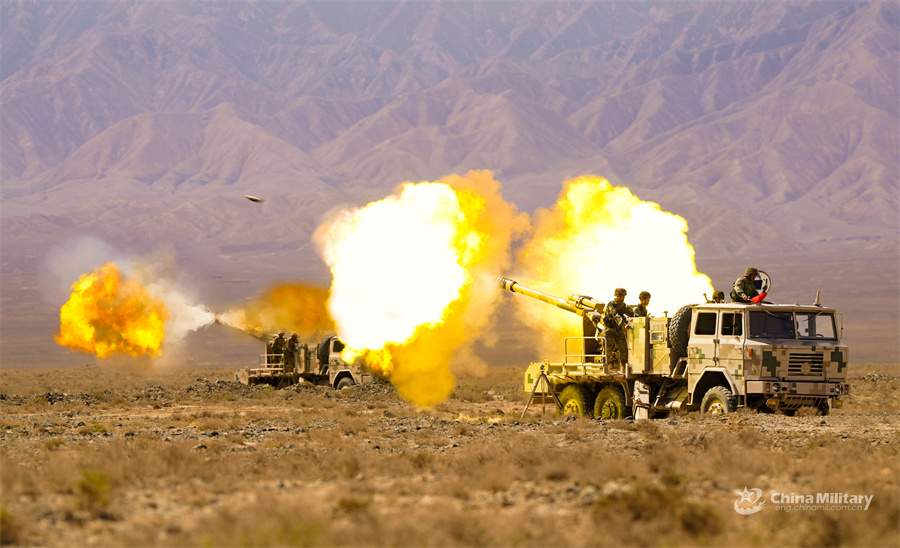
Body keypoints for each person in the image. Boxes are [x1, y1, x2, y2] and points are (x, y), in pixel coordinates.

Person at [604, 288, 633, 368]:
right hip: (610, 330)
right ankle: (605, 368)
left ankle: (624, 368)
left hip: (619, 330)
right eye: (621, 296)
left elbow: (631, 313)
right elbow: (616, 315)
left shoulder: (623, 305)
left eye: (623, 296)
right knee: (607, 351)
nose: (623, 297)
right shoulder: (611, 304)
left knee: (623, 350)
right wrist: (624, 324)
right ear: (617, 296)